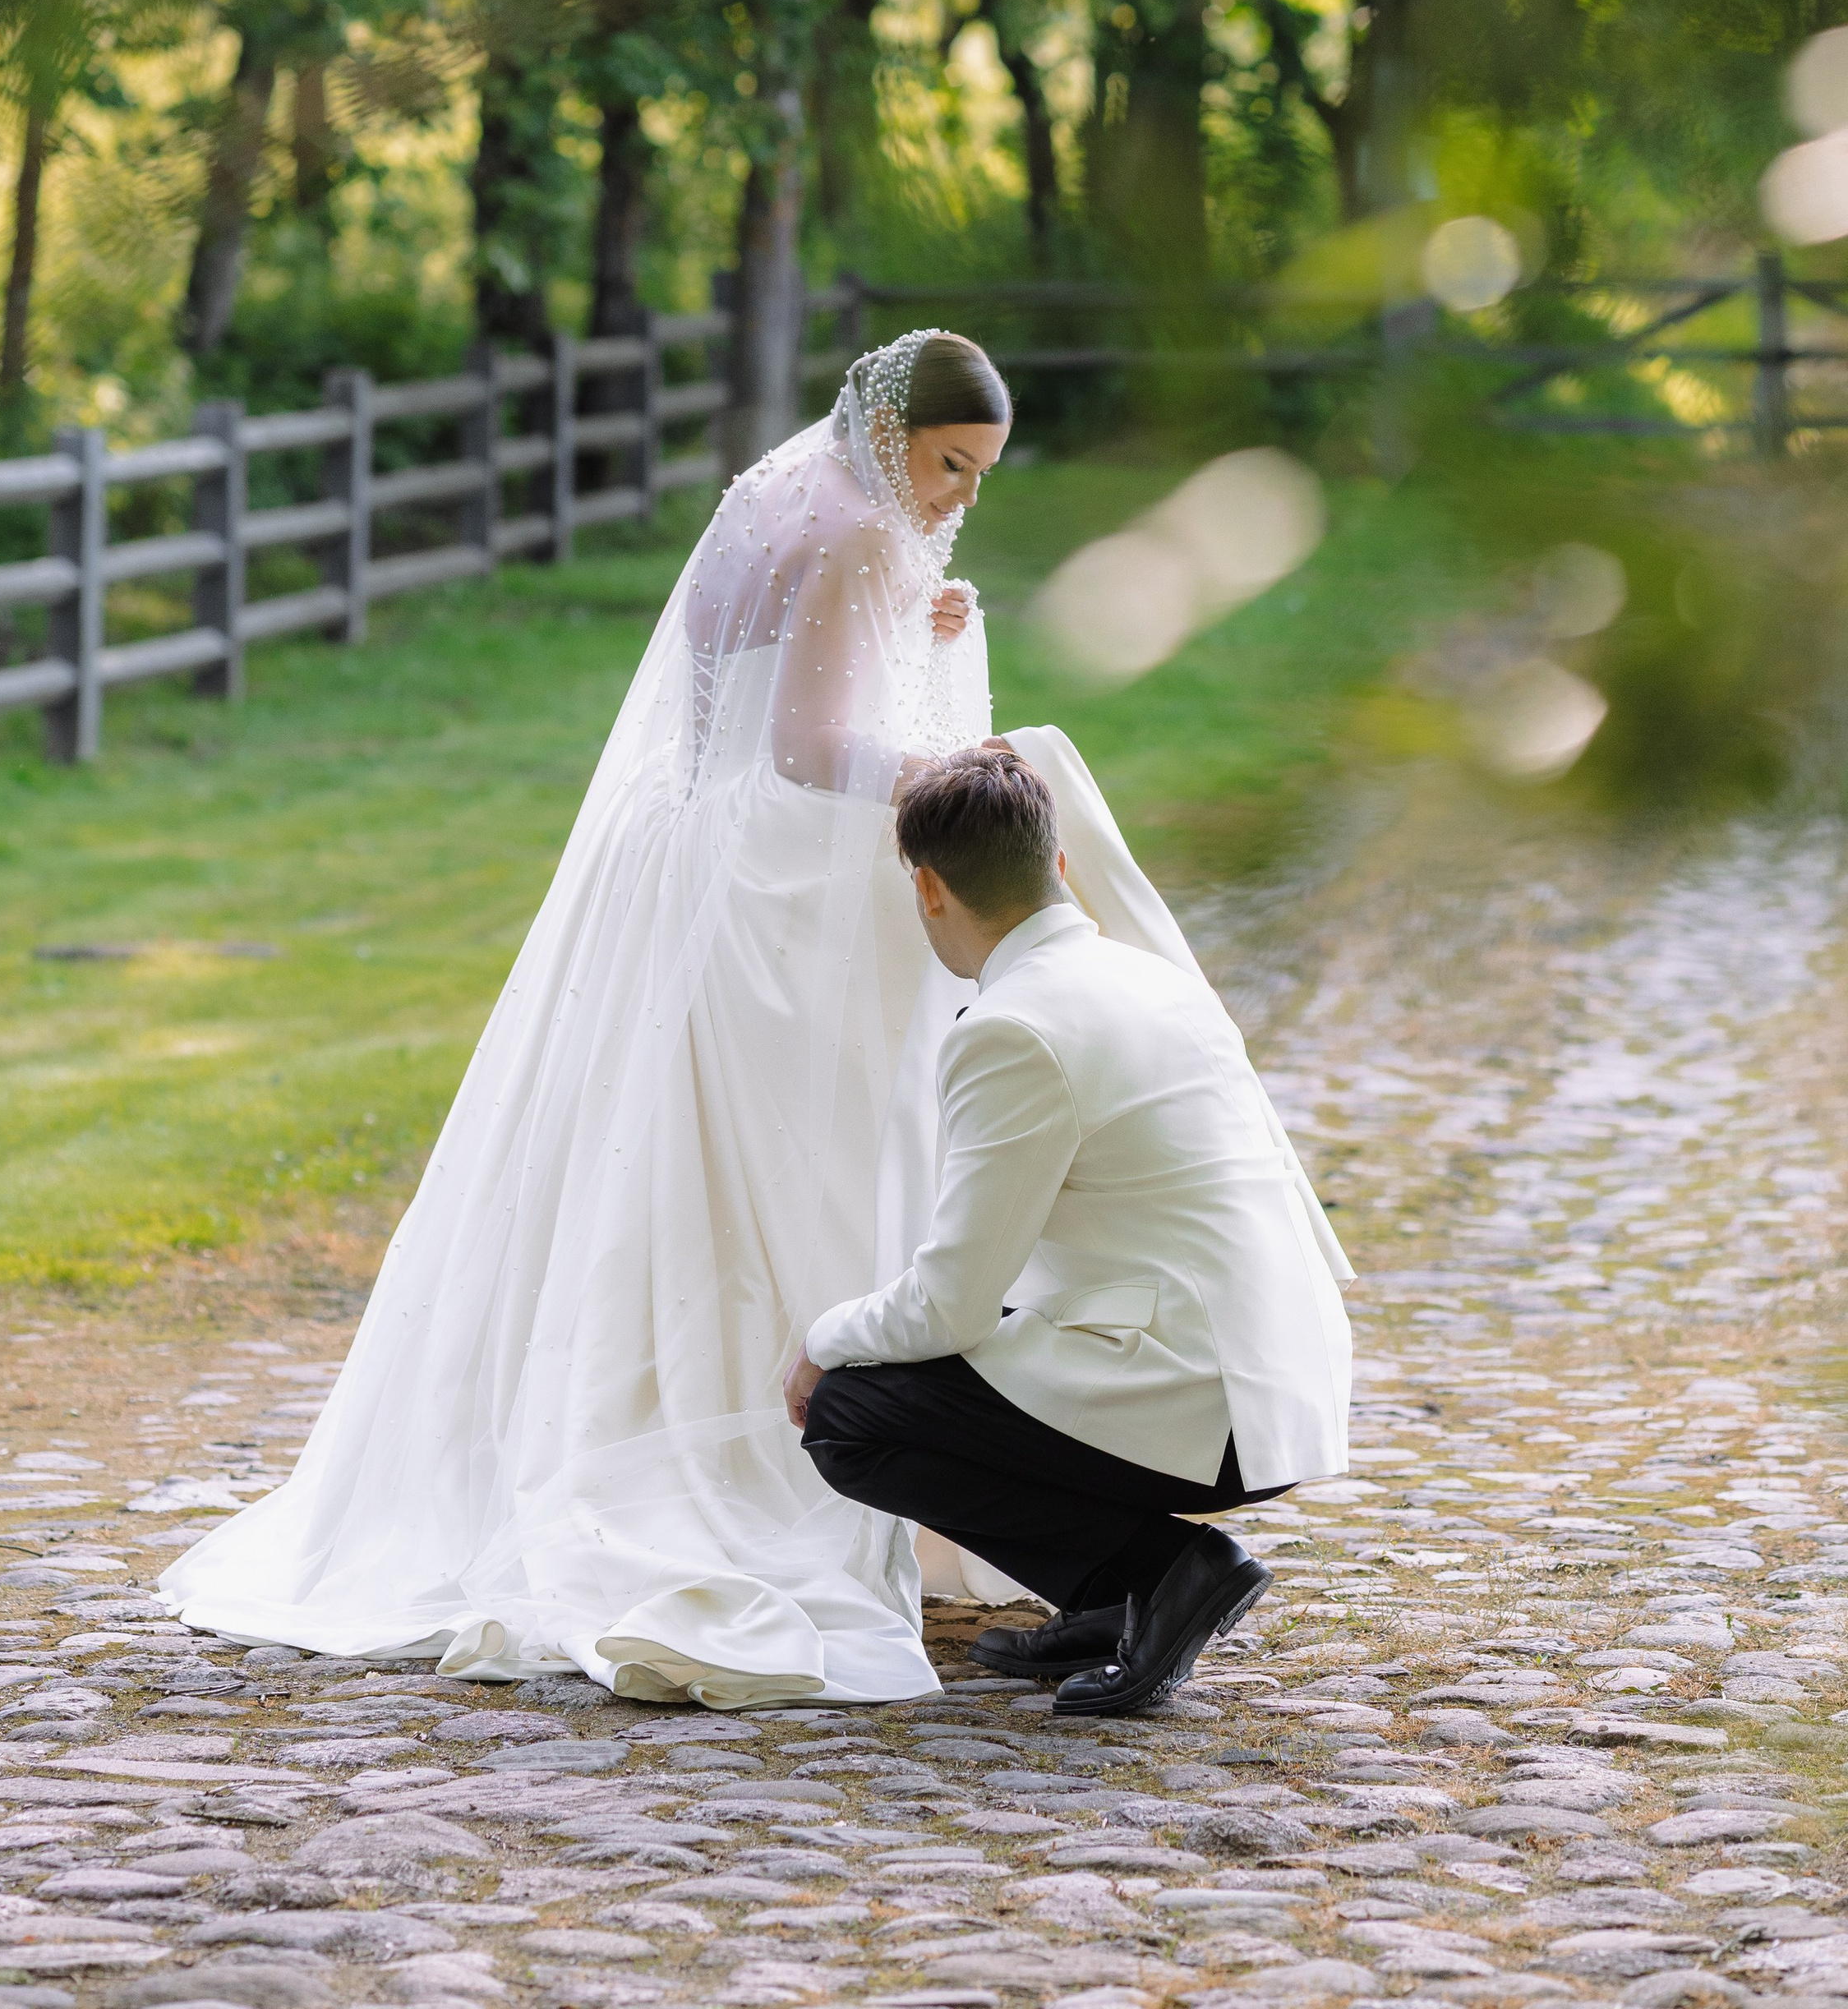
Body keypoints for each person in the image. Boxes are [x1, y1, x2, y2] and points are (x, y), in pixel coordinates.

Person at [161, 328, 1014, 1707]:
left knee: (642, 1173)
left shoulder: (773, 494)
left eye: (979, 477)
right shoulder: (860, 531)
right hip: (758, 894)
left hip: (670, 859)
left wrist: (896, 634)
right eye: (951, 465)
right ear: (895, 435)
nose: (960, 497)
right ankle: (756, 1460)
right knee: (767, 1181)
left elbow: (733, 685)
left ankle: (622, 1430)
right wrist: (958, 763)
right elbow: (805, 750)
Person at [784, 749, 1354, 1716]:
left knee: (850, 1416)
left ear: (927, 888)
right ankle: (1108, 1598)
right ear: (1055, 864)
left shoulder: (1011, 1029)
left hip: (1203, 1404)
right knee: (951, 1372)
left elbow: (946, 1306)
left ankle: (1174, 1570)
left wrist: (817, 1341)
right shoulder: (1154, 977)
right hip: (1286, 1376)